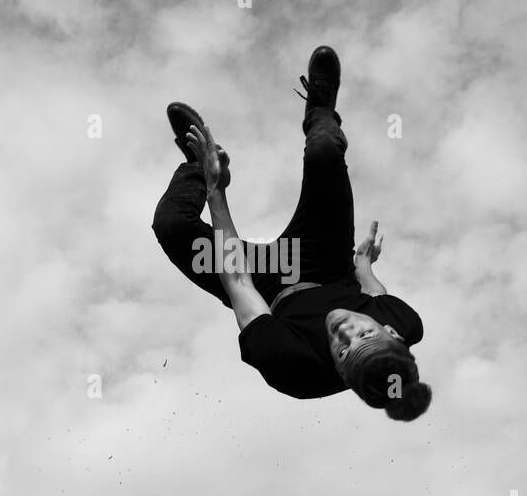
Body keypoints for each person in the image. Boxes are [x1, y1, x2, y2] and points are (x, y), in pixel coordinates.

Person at [152, 46, 432, 420]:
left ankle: (199, 162)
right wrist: (363, 265)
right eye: (364, 333)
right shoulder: (406, 322)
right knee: (323, 153)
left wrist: (214, 186)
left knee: (172, 226)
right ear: (392, 332)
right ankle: (320, 110)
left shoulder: (294, 370)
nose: (345, 329)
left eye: (343, 349)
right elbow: (373, 295)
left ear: (340, 371)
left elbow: (238, 282)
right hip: (326, 260)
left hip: (263, 284)